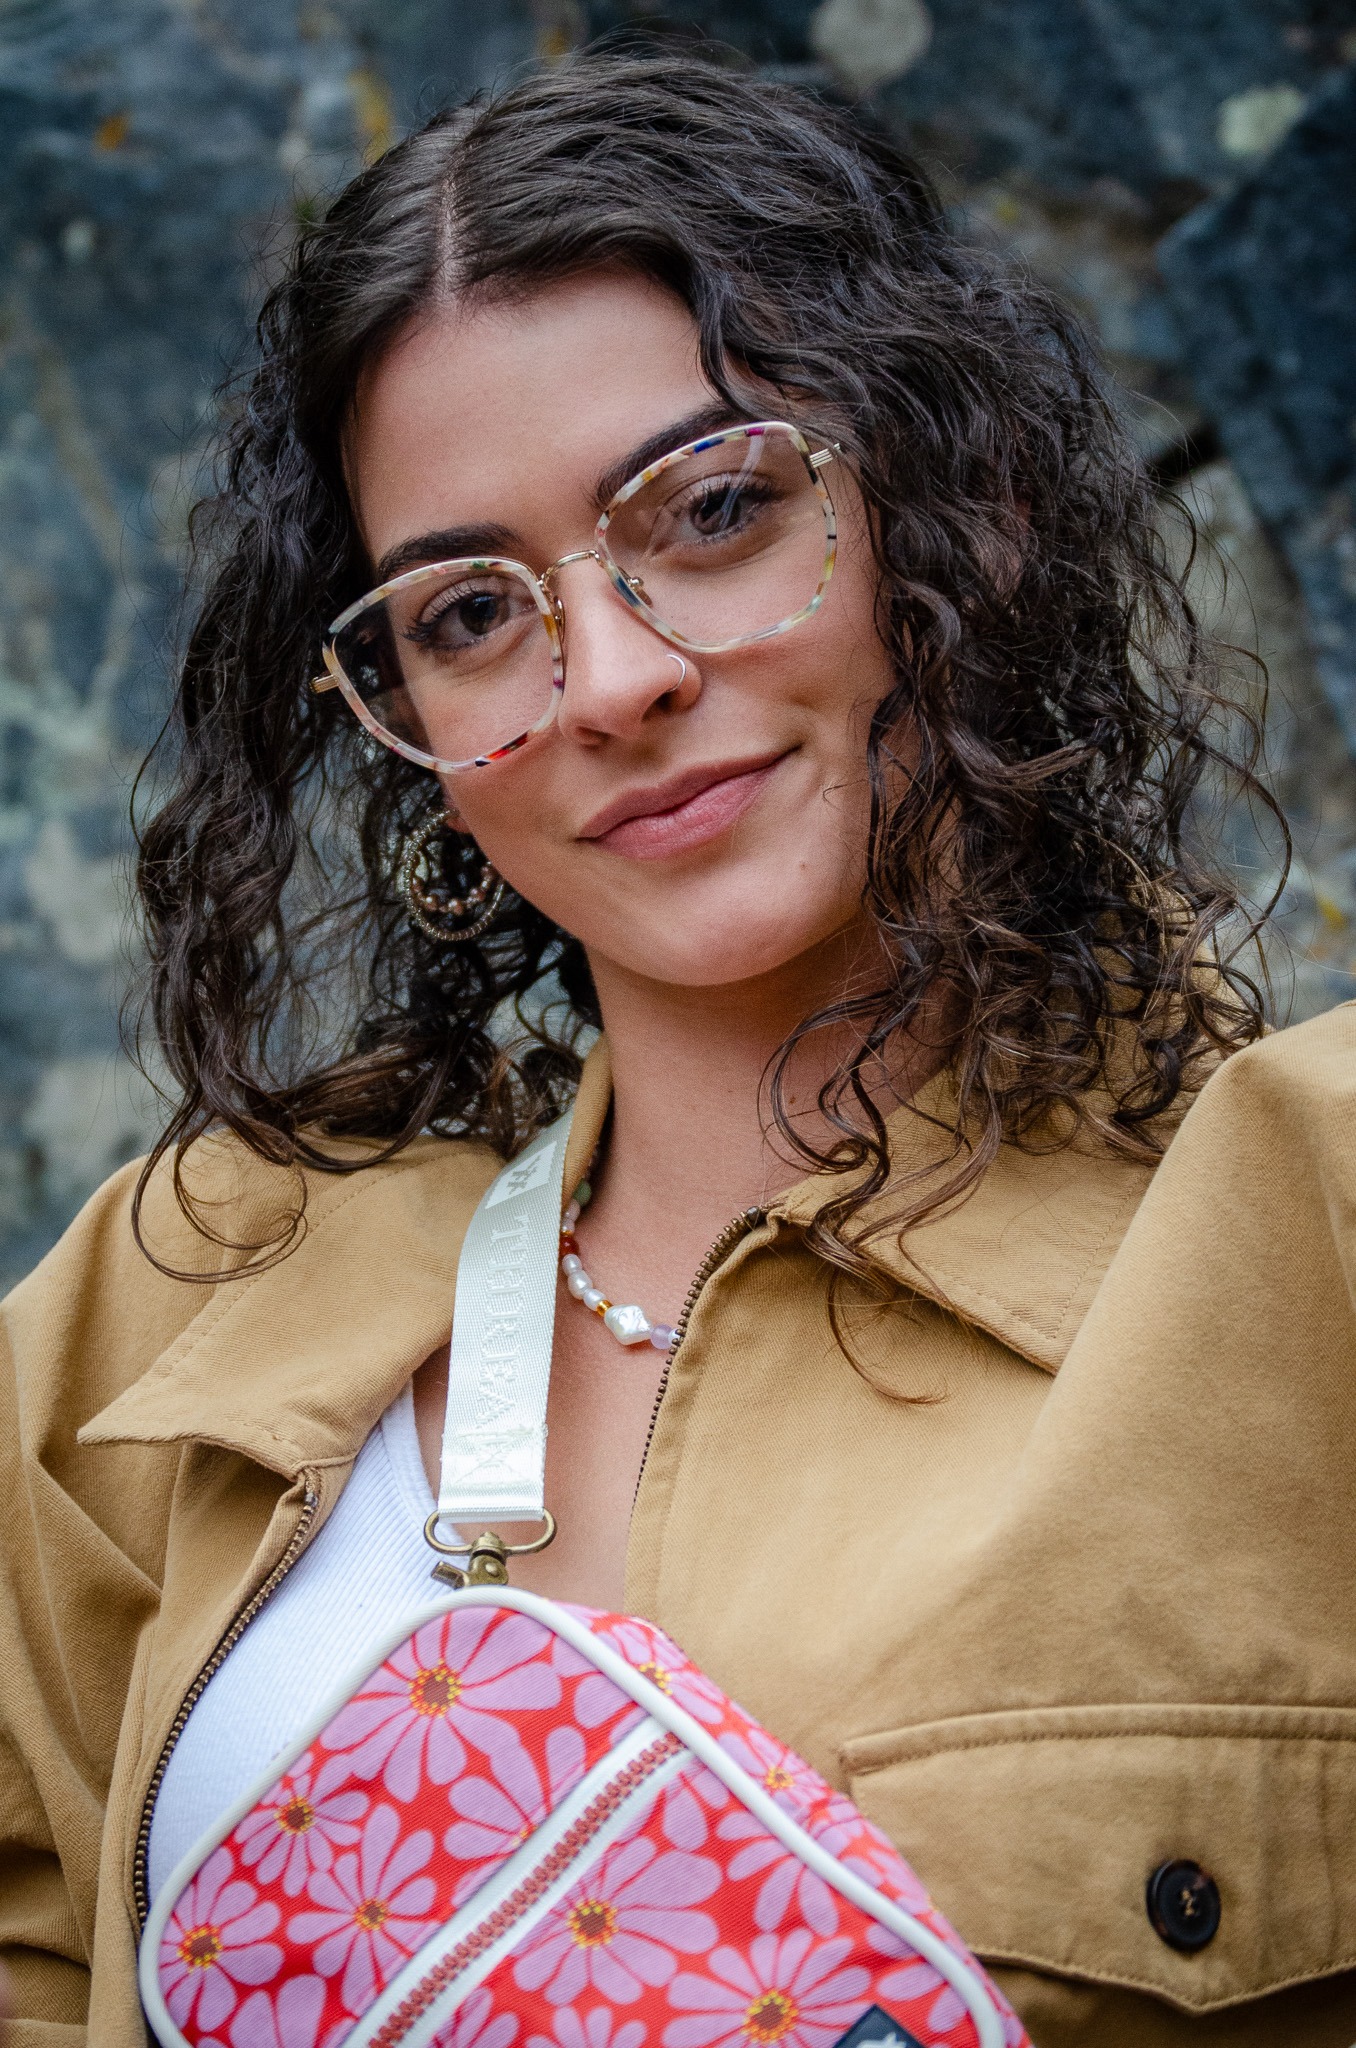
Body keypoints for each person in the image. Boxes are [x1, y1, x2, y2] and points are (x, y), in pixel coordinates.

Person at [0, 48, 1336, 2048]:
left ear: (949, 508)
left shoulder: (1302, 1243)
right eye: (466, 614)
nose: (608, 680)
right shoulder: (164, 1312)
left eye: (714, 508)